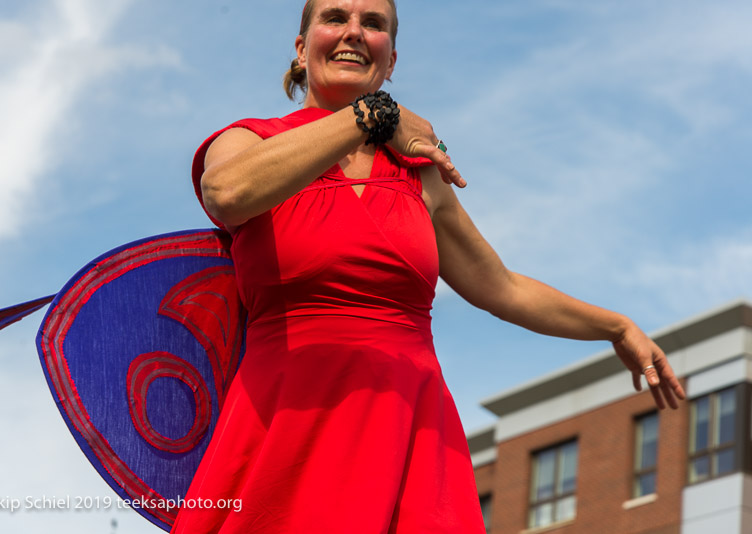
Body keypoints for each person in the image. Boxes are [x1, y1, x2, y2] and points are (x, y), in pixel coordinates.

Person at [171, 1, 685, 532]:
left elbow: (502, 287)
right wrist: (370, 116)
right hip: (289, 420)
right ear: (301, 50)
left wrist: (616, 326)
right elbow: (228, 193)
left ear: (389, 60)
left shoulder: (420, 177)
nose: (353, 32)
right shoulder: (250, 140)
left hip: (407, 429)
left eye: (373, 25)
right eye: (334, 18)